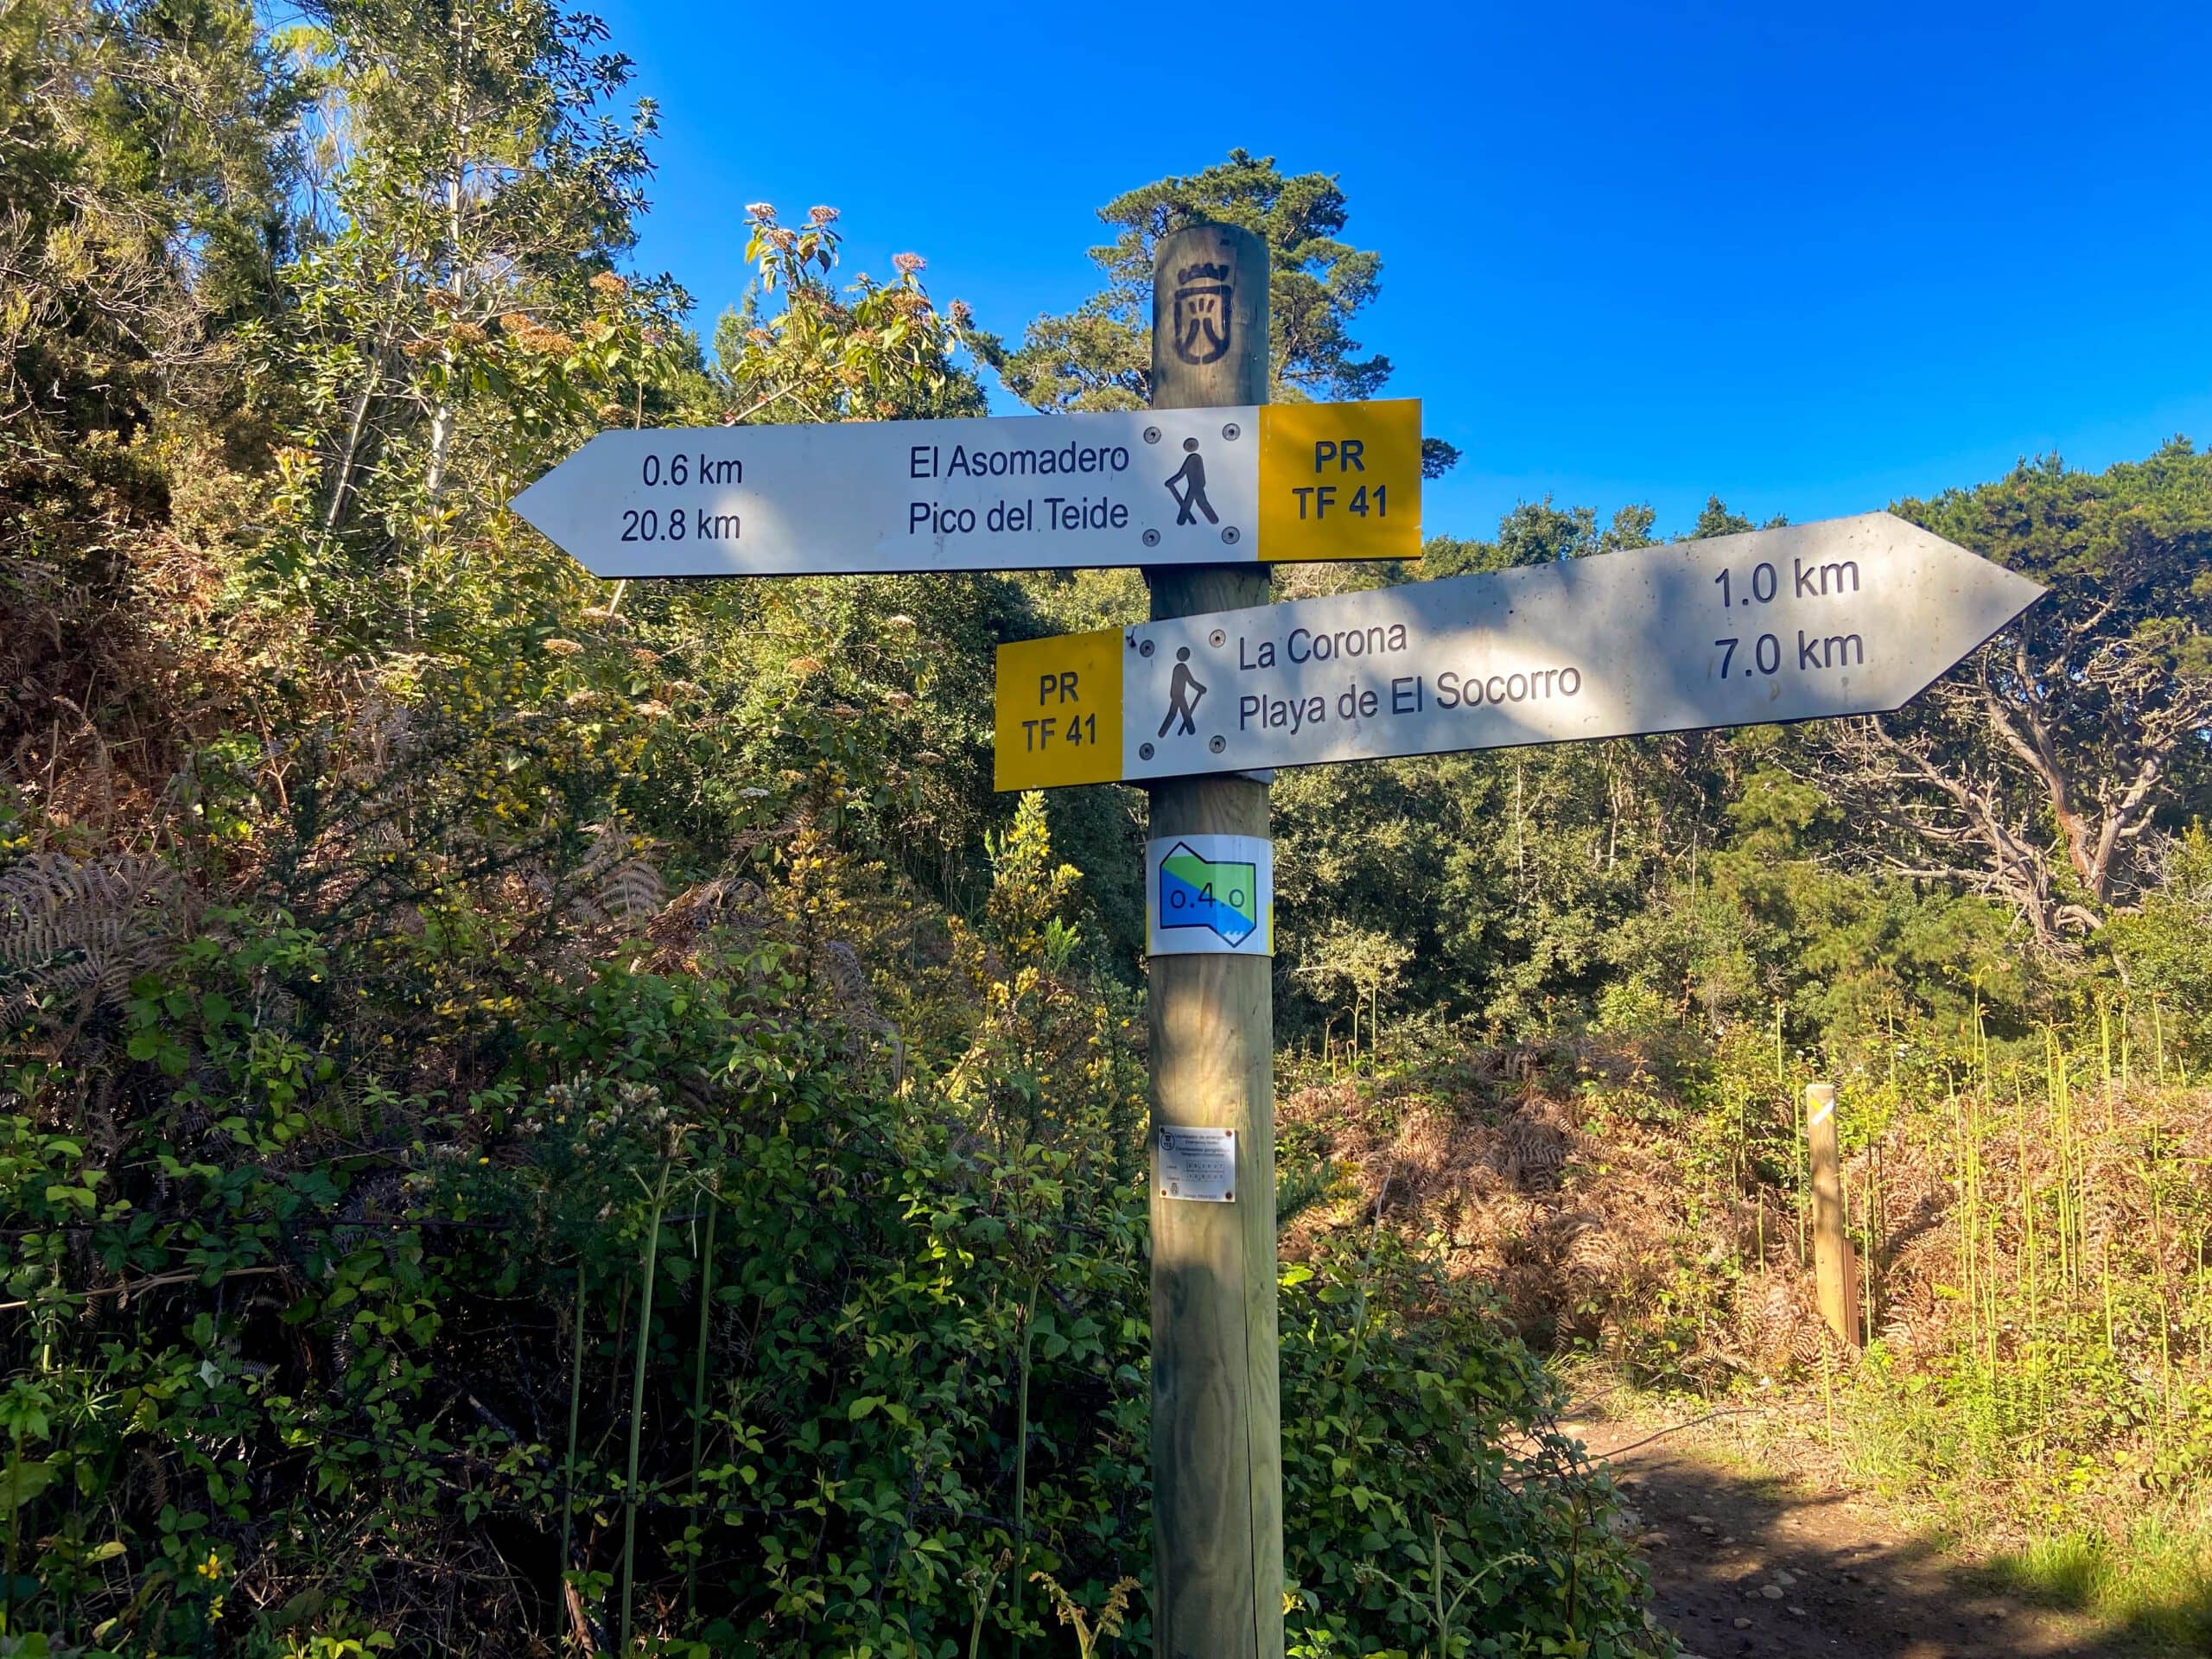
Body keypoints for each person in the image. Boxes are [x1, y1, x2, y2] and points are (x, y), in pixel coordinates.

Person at [1164, 437, 1218, 526]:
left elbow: (1181, 474)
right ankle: (1185, 520)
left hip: (1196, 487)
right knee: (1197, 503)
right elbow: (1181, 474)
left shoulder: (1194, 459)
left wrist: (1170, 482)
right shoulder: (1195, 459)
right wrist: (1170, 482)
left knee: (1199, 503)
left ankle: (1212, 519)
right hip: (1195, 487)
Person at [1158, 645, 1206, 737]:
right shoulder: (1181, 668)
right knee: (1183, 712)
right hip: (1178, 694)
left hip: (1176, 694)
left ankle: (1162, 733)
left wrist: (1200, 688)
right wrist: (1200, 688)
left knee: (1174, 713)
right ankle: (1190, 729)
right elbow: (1191, 682)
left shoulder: (1179, 667)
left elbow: (1190, 681)